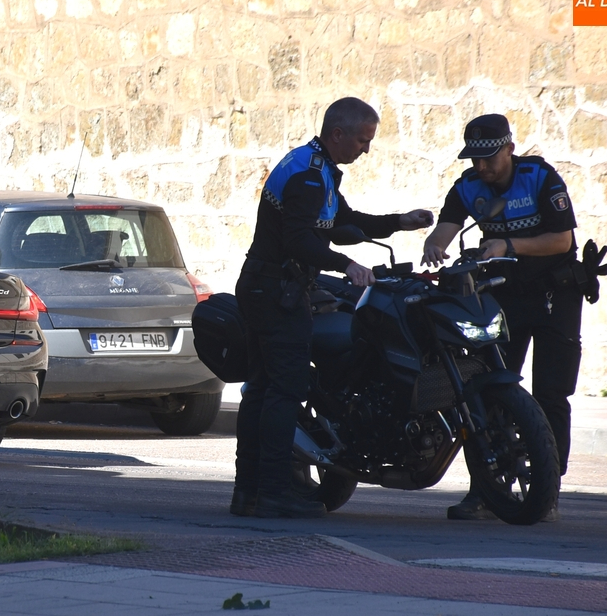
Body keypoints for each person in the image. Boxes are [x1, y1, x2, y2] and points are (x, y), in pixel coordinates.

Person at [233, 97, 433, 518]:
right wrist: (348, 267)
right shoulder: (308, 177)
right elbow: (299, 241)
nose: (366, 149)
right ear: (337, 133)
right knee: (281, 393)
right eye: (362, 140)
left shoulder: (317, 168)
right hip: (276, 291)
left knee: (264, 391)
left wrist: (400, 221)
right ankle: (272, 491)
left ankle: (249, 492)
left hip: (266, 288)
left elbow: (343, 224)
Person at [421, 113, 584, 522]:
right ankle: (485, 488)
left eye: (490, 157)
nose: (482, 167)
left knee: (551, 395)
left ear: (509, 148)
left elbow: (562, 240)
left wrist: (508, 243)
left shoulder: (539, 177)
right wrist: (435, 244)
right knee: (487, 392)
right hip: (502, 296)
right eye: (475, 159)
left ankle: (546, 487)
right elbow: (447, 226)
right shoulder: (468, 186)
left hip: (554, 295)